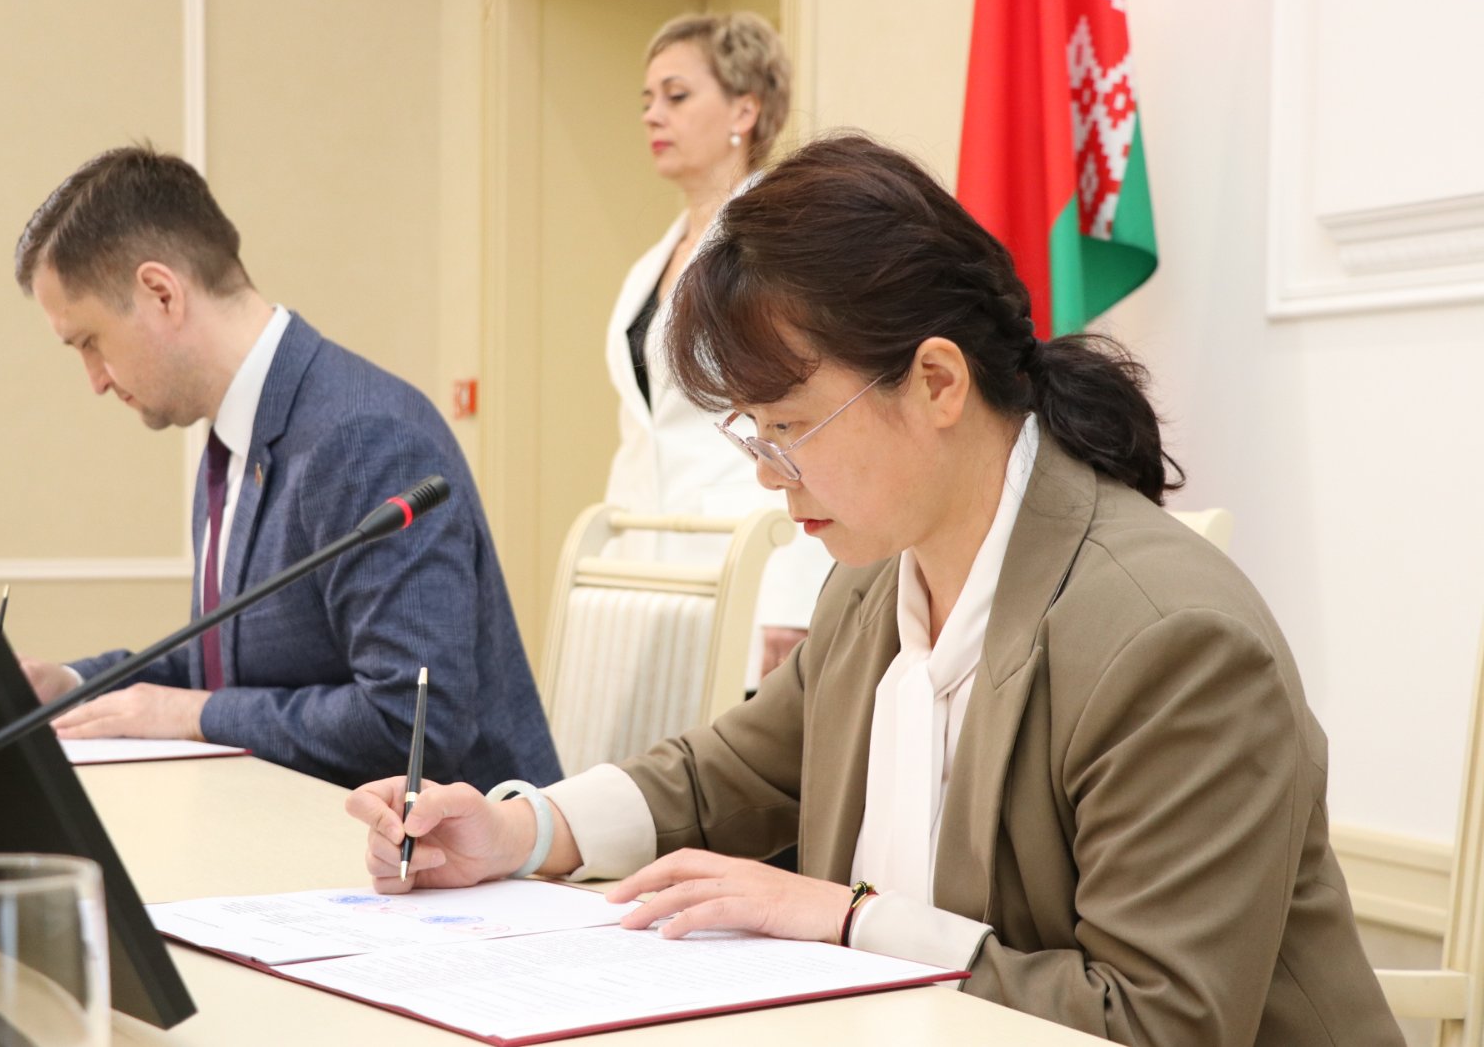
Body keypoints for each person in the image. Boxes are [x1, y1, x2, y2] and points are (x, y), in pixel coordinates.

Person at [349, 134, 1402, 1045]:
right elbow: (722, 775)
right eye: (752, 434)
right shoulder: (876, 580)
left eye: (791, 426)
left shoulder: (1170, 639)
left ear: (937, 381)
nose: (770, 476)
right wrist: (519, 832)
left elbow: (1155, 1021)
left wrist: (847, 919)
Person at [13, 145, 561, 791]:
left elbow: (414, 724)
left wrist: (193, 715)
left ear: (161, 293)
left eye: (89, 342)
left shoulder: (363, 437)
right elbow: (237, 669)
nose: (95, 380)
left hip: (449, 846)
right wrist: (74, 685)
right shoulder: (234, 434)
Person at [606, 11, 830, 681]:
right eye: (647, 99)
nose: (652, 115)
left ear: (744, 109)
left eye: (676, 95)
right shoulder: (651, 263)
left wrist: (791, 590)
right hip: (646, 572)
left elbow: (808, 417)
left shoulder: (776, 243)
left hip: (748, 562)